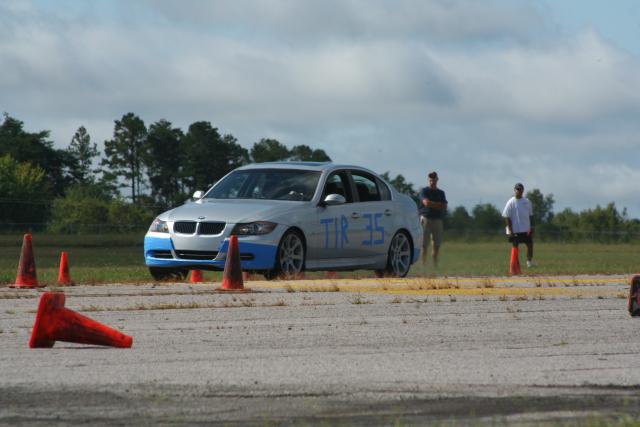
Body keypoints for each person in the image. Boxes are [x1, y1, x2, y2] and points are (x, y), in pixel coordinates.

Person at [418, 171, 447, 267]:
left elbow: (445, 206)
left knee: (437, 243)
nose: (432, 182)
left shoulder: (441, 193)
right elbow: (426, 203)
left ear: (437, 180)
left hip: (437, 219)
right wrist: (438, 205)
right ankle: (423, 265)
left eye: (434, 180)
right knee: (424, 244)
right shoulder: (424, 191)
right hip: (426, 218)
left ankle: (435, 265)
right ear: (428, 180)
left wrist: (432, 204)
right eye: (430, 180)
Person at [502, 182, 534, 267]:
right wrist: (511, 231)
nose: (519, 191)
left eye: (520, 189)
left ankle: (529, 262)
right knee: (515, 246)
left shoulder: (527, 202)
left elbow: (530, 215)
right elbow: (507, 217)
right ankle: (515, 263)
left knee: (530, 245)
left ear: (523, 190)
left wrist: (530, 227)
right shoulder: (511, 202)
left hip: (525, 228)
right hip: (515, 229)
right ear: (514, 190)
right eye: (517, 189)